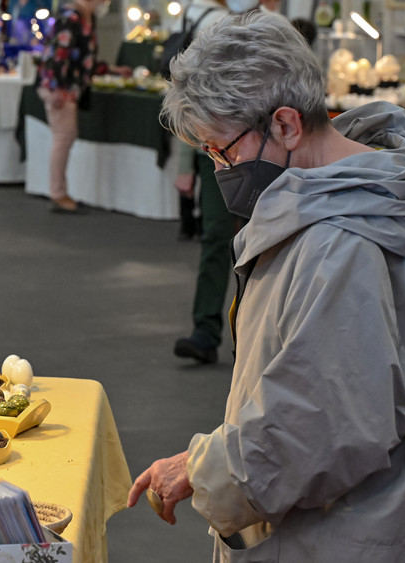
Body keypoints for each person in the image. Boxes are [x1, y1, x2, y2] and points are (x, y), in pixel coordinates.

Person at [128, 11, 405, 560]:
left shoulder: (337, 241)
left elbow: (325, 423)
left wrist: (203, 468)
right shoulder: (363, 194)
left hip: (341, 533)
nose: (220, 169)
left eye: (224, 151)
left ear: (287, 125)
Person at [169, 0, 232, 364]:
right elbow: (190, 98)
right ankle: (206, 331)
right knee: (216, 236)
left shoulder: (262, 26)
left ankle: (259, 339)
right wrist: (186, 162)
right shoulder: (209, 20)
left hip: (260, 150)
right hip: (215, 149)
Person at [35, 0, 113, 213]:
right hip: (61, 89)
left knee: (65, 137)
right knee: (63, 138)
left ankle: (59, 191)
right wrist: (56, 88)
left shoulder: (84, 18)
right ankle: (58, 193)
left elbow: (83, 56)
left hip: (69, 88)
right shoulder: (70, 18)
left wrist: (109, 69)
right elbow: (58, 54)